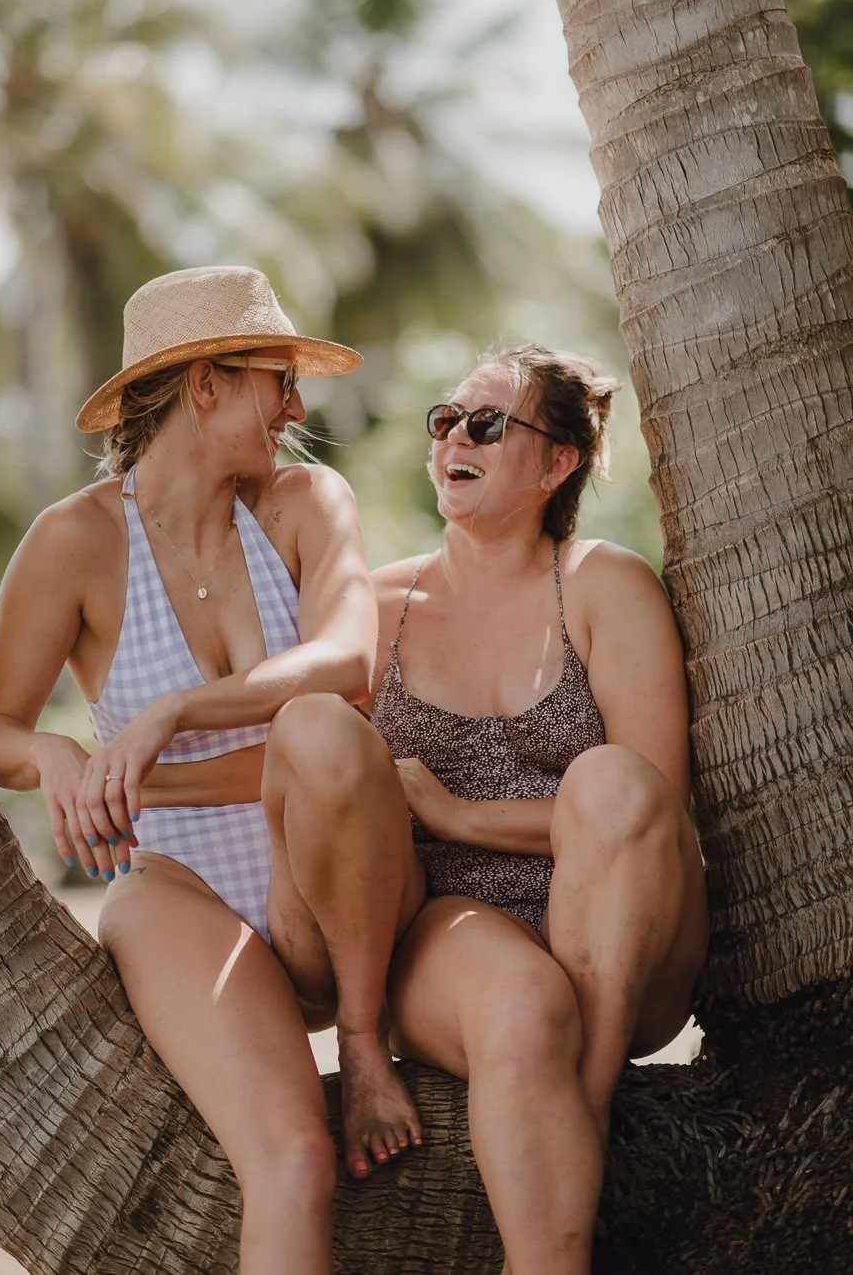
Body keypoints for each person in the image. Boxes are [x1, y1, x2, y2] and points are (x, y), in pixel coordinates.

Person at [0, 266, 426, 1275]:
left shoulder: (306, 502)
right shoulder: (76, 541)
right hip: (176, 885)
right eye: (276, 380)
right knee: (294, 1157)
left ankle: (357, 1037)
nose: (295, 410)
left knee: (319, 727)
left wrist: (171, 717)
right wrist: (55, 754)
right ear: (206, 384)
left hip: (323, 883)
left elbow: (348, 664)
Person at [367, 344, 709, 1275]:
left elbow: (650, 809)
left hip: (624, 928)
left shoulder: (603, 583)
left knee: (610, 781)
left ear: (558, 462)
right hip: (453, 932)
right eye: (445, 421)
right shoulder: (375, 607)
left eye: (485, 424)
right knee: (521, 1008)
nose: (453, 440)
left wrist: (458, 814)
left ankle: (584, 1102)